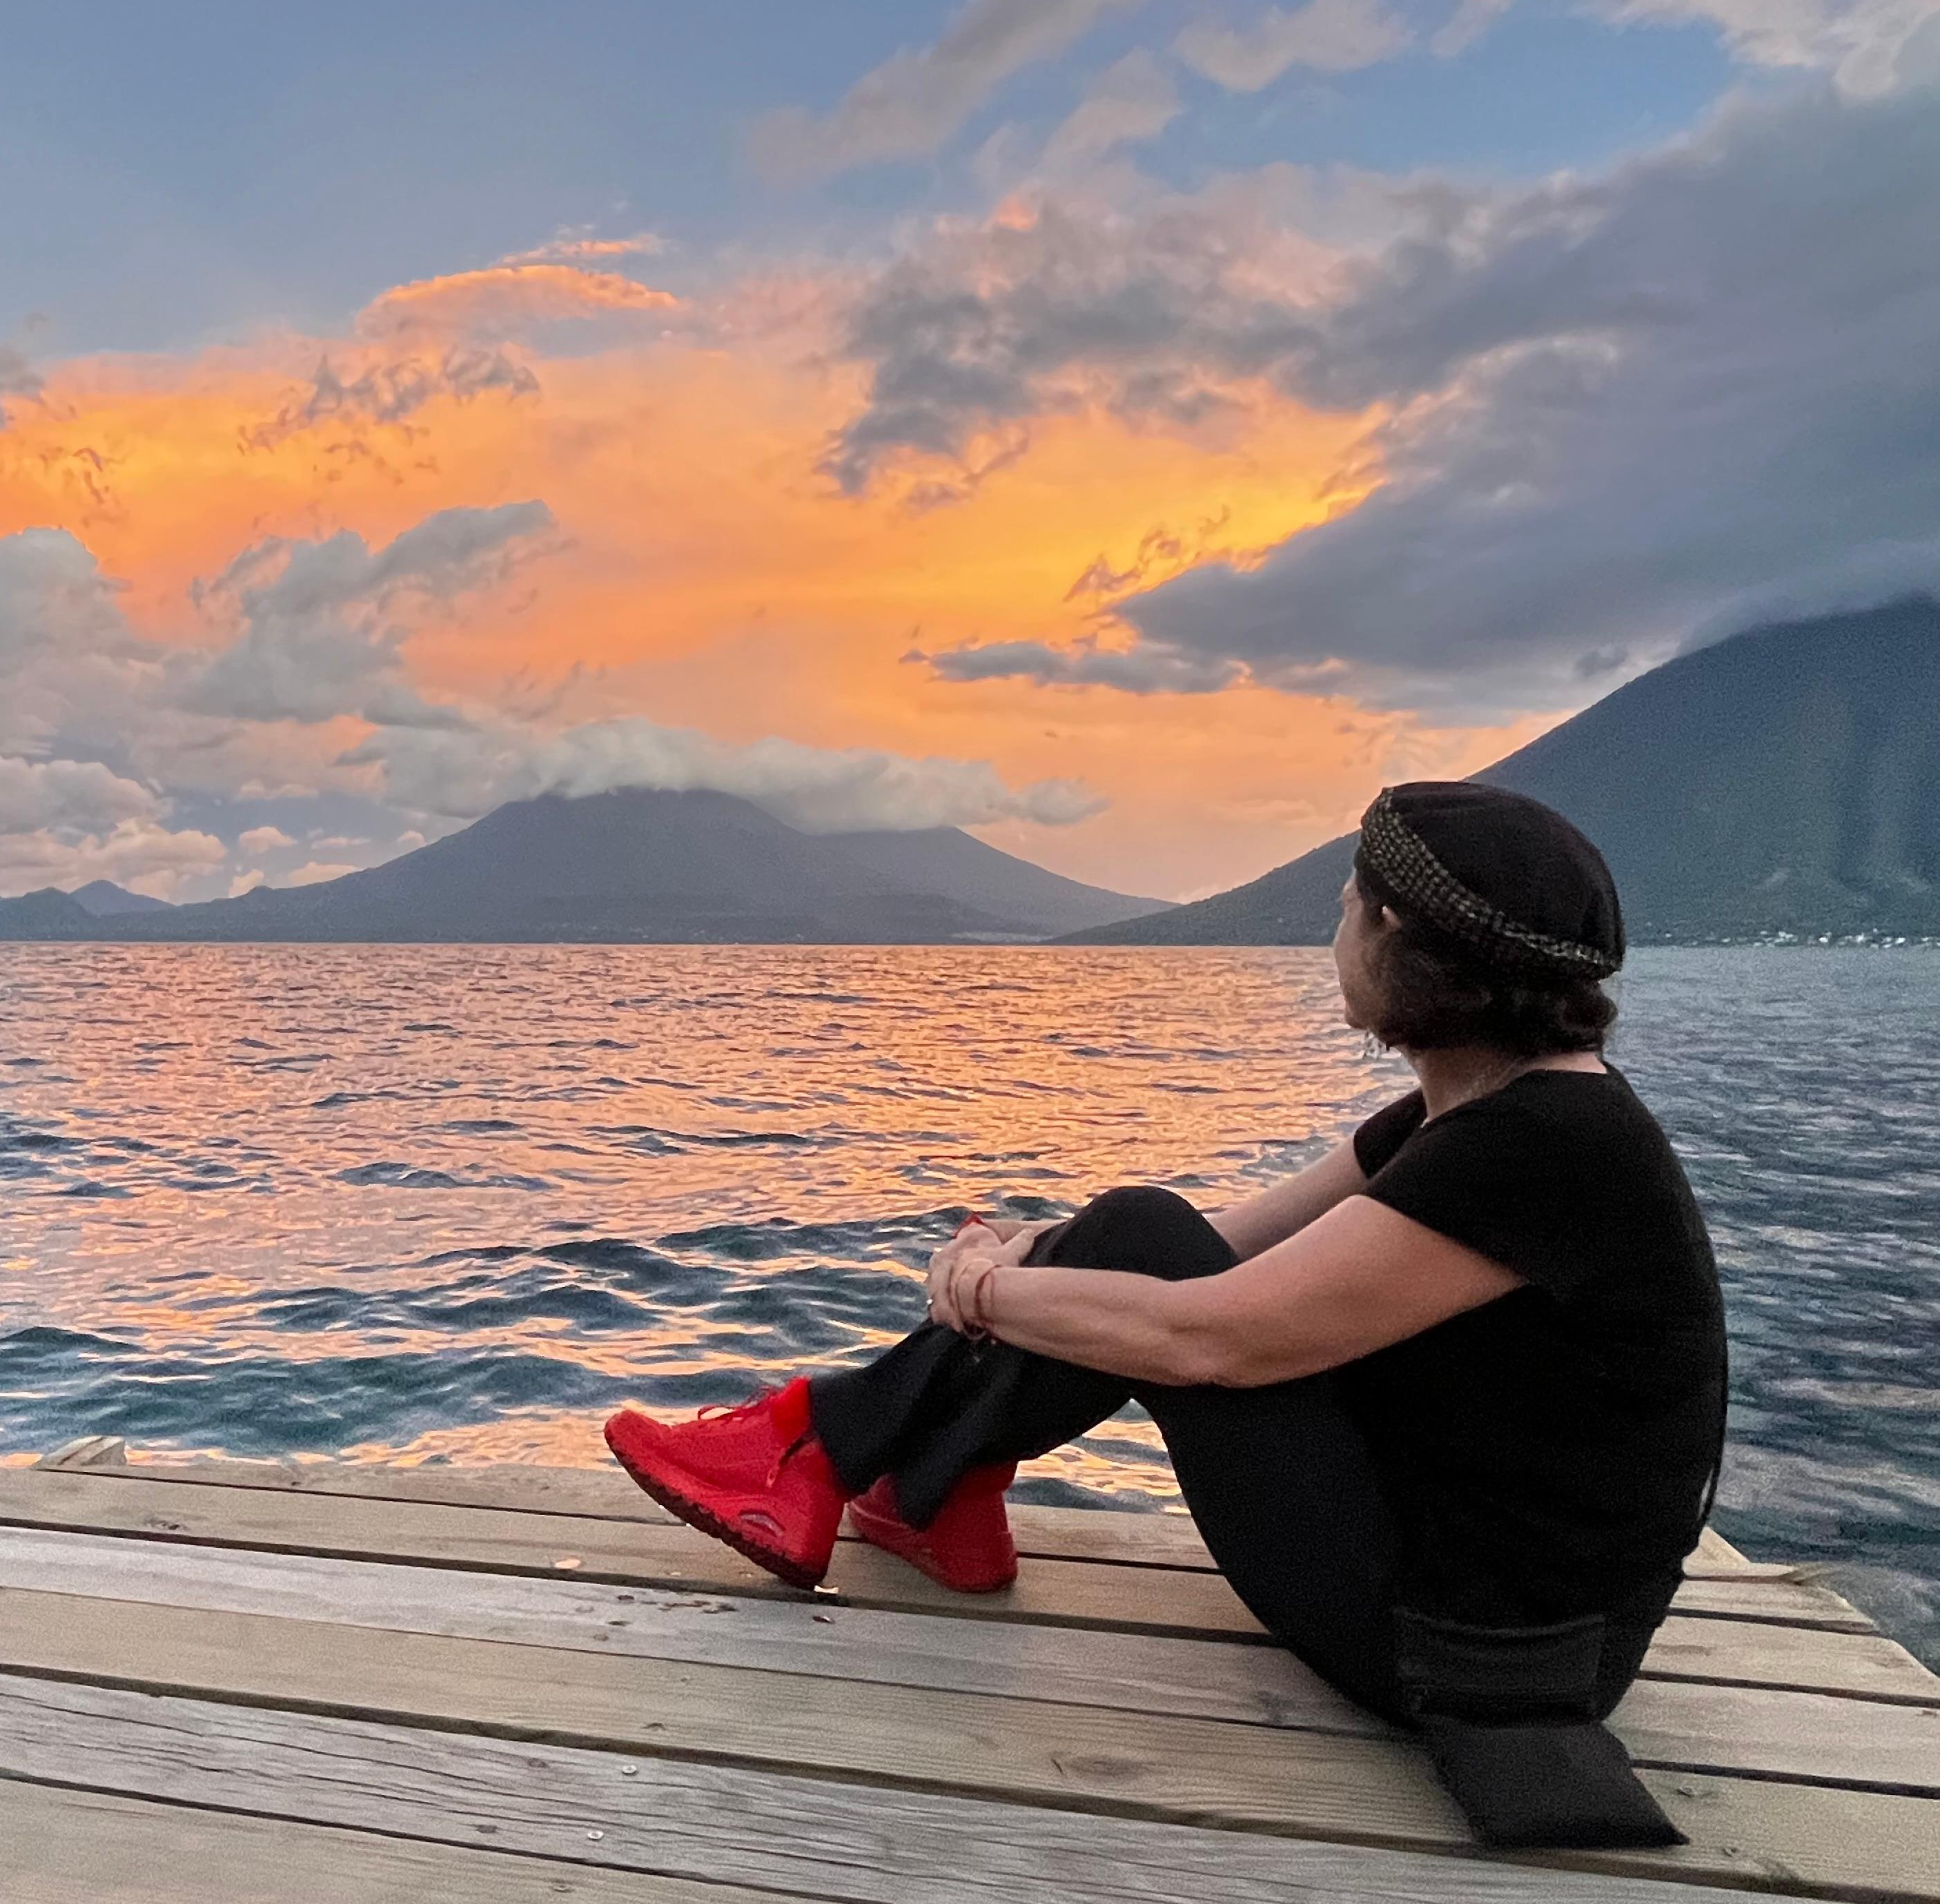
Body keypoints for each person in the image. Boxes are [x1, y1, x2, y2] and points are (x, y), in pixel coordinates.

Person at [602, 781, 1729, 1849]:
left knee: (1145, 1252)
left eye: (1343, 910)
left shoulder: (1542, 1150)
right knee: (1138, 1225)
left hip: (1477, 1654)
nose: (1329, 939)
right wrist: (1025, 1252)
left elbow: (1217, 1336)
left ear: (1398, 934)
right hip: (1482, 1598)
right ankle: (905, 1482)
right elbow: (1230, 1238)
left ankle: (828, 1449)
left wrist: (989, 1293)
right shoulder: (1494, 1114)